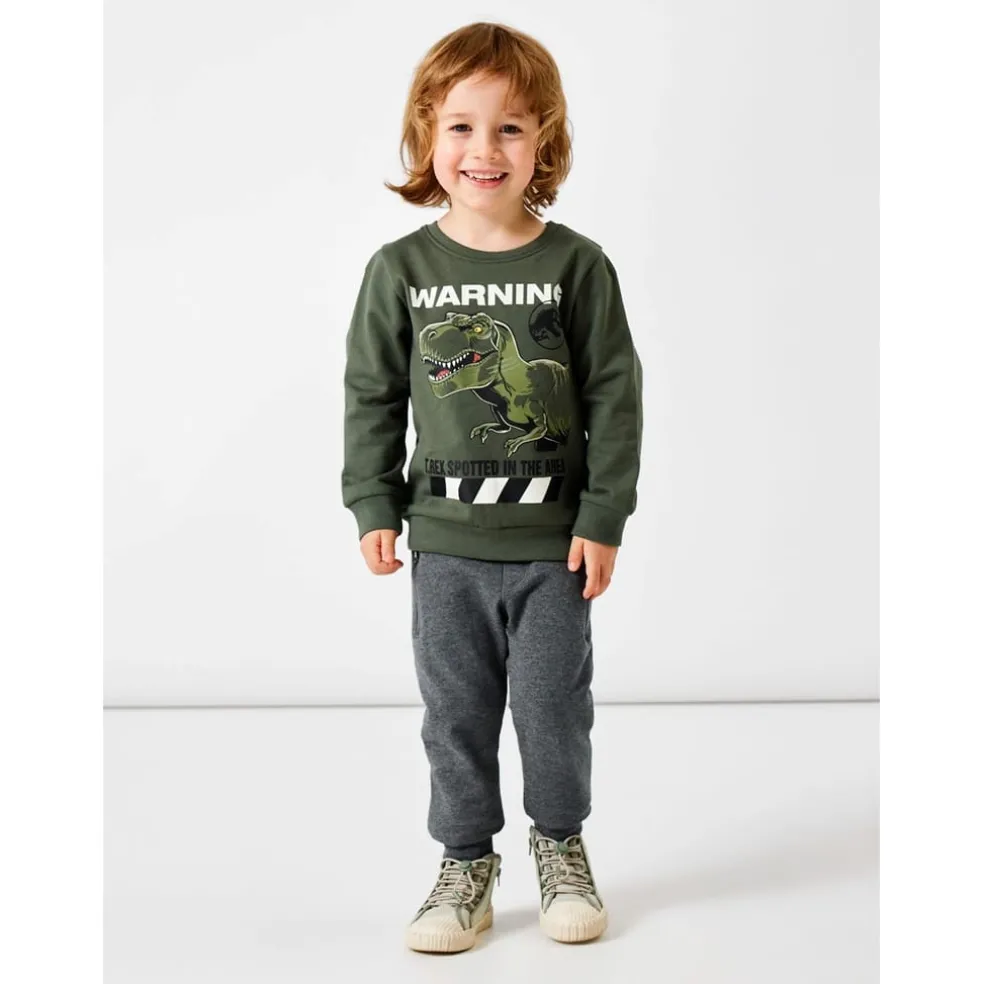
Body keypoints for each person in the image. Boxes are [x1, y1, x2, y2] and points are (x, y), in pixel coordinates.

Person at [341, 21, 643, 953]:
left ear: (543, 139)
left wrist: (604, 513)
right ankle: (465, 861)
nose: (485, 149)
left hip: (554, 549)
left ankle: (560, 845)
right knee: (456, 715)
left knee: (552, 708)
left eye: (511, 127)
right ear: (427, 135)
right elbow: (372, 392)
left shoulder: (576, 265)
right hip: (444, 546)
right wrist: (372, 500)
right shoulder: (401, 271)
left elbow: (614, 392)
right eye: (463, 126)